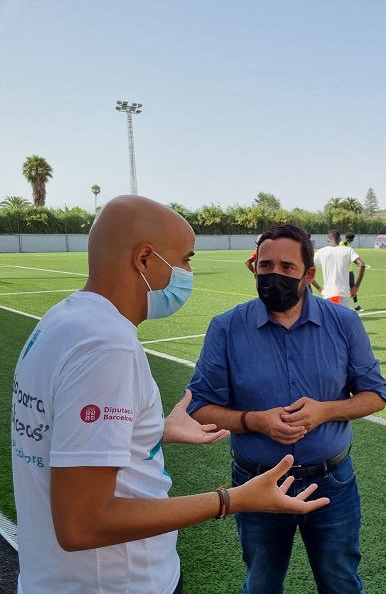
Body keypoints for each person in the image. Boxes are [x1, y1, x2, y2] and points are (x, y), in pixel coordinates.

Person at [11, 196, 328, 594]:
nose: (188, 273)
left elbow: (61, 437)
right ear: (145, 259)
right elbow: (83, 523)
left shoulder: (63, 321)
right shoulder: (108, 346)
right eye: (185, 259)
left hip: (55, 579)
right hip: (114, 582)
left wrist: (151, 431)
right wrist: (231, 499)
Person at [187, 223, 386, 594]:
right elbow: (199, 406)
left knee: (341, 583)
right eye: (265, 266)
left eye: (287, 267)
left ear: (308, 275)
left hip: (332, 481)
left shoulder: (344, 322)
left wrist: (324, 411)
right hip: (256, 482)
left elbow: (375, 394)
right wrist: (254, 421)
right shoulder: (227, 327)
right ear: (254, 268)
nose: (273, 275)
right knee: (261, 583)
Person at [311, 229, 366, 309]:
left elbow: (306, 268)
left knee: (330, 319)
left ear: (327, 240)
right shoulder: (348, 250)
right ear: (339, 240)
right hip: (344, 293)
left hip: (328, 293)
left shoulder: (321, 252)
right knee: (343, 319)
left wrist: (318, 287)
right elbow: (362, 265)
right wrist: (356, 286)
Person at [340, 232, 364, 310]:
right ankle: (340, 305)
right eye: (352, 239)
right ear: (348, 239)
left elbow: (351, 257)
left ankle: (356, 305)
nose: (353, 240)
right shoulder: (340, 244)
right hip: (342, 271)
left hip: (349, 270)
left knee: (352, 287)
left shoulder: (349, 245)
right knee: (342, 288)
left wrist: (357, 263)